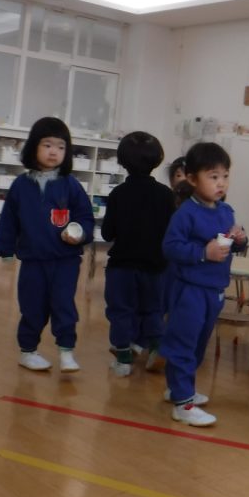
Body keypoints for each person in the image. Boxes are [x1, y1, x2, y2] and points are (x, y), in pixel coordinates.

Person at [0, 117, 94, 372]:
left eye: (60, 147)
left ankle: (66, 351)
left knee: (63, 304)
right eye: (47, 145)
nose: (53, 152)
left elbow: (85, 216)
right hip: (33, 261)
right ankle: (28, 351)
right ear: (33, 147)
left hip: (65, 260)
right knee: (32, 306)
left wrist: (80, 233)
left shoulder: (71, 185)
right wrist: (5, 249)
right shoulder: (21, 185)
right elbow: (9, 220)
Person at [160, 142, 247, 427]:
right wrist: (202, 253)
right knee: (183, 342)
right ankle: (183, 404)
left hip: (215, 290)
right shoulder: (186, 213)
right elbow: (170, 247)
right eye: (213, 176)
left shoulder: (225, 211)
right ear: (192, 179)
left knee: (198, 344)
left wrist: (239, 240)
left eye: (225, 176)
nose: (221, 183)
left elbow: (228, 245)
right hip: (189, 290)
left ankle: (178, 388)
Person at [101, 132, 176, 377]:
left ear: (122, 161)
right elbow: (171, 232)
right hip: (155, 266)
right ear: (157, 159)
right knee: (153, 309)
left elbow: (107, 233)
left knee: (121, 310)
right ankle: (156, 347)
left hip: (122, 266)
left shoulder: (118, 194)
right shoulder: (166, 195)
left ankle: (123, 359)